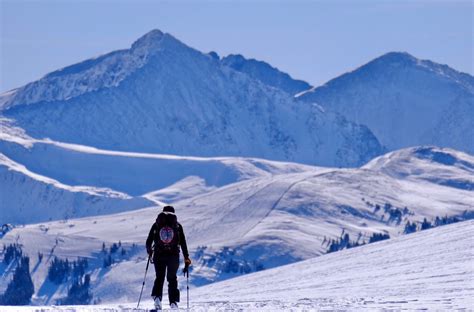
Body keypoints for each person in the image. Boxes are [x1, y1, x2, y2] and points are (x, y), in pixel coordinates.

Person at [146, 205, 191, 310]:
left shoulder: (156, 224)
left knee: (159, 277)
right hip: (173, 256)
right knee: (172, 279)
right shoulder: (177, 226)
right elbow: (183, 243)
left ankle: (157, 298)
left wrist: (150, 252)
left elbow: (149, 241)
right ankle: (173, 302)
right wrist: (186, 258)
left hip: (159, 255)